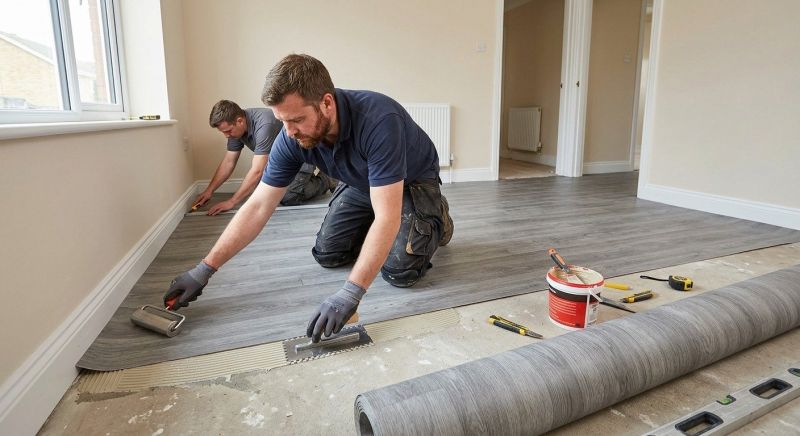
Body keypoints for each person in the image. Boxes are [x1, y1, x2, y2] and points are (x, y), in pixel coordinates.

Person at [165, 54, 453, 343]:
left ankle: (436, 216)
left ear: (327, 103)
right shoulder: (290, 136)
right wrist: (204, 270)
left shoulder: (379, 119)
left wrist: (350, 294)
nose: (289, 132)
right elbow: (258, 205)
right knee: (328, 254)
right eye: (282, 121)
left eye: (297, 120)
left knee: (400, 271)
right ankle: (382, 229)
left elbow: (387, 215)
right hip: (362, 182)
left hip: (412, 181)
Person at [193, 100, 336, 215]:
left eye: (228, 131)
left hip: (300, 159)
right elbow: (228, 162)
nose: (226, 136)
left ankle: (327, 179)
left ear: (239, 121)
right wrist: (209, 191)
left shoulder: (264, 126)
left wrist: (232, 202)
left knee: (288, 198)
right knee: (261, 193)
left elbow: (257, 170)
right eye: (224, 132)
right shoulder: (235, 131)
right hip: (280, 162)